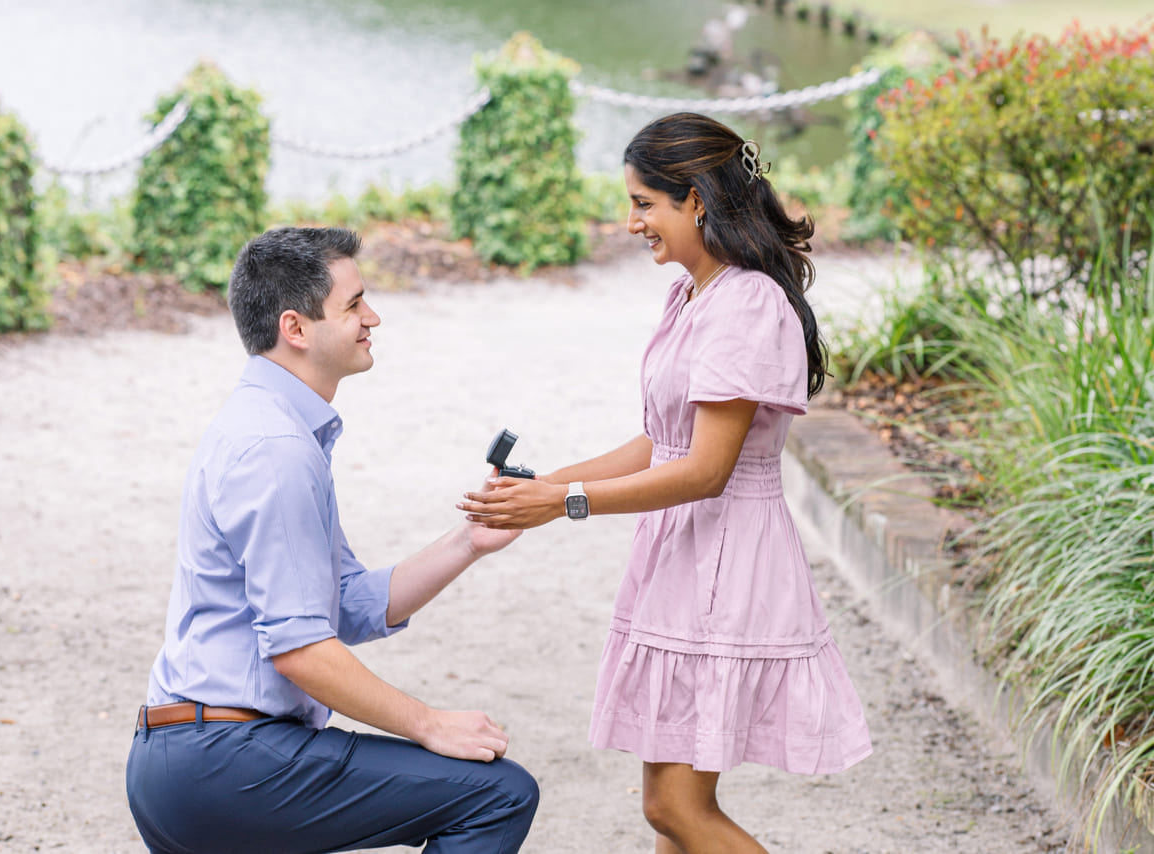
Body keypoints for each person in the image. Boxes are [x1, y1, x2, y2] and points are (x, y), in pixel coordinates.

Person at [457, 113, 872, 854]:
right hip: (687, 554)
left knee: (675, 805)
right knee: (670, 804)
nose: (631, 222)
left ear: (698, 200)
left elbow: (707, 470)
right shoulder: (692, 295)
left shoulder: (746, 304)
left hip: (726, 558)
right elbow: (661, 442)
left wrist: (567, 502)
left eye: (645, 203)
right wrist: (544, 486)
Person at [126, 226, 539, 854]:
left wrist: (468, 541)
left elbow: (343, 604)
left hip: (194, 756)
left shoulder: (277, 430)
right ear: (296, 328)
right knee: (498, 794)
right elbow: (300, 650)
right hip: (225, 761)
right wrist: (427, 725)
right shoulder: (276, 450)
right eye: (354, 305)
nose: (373, 317)